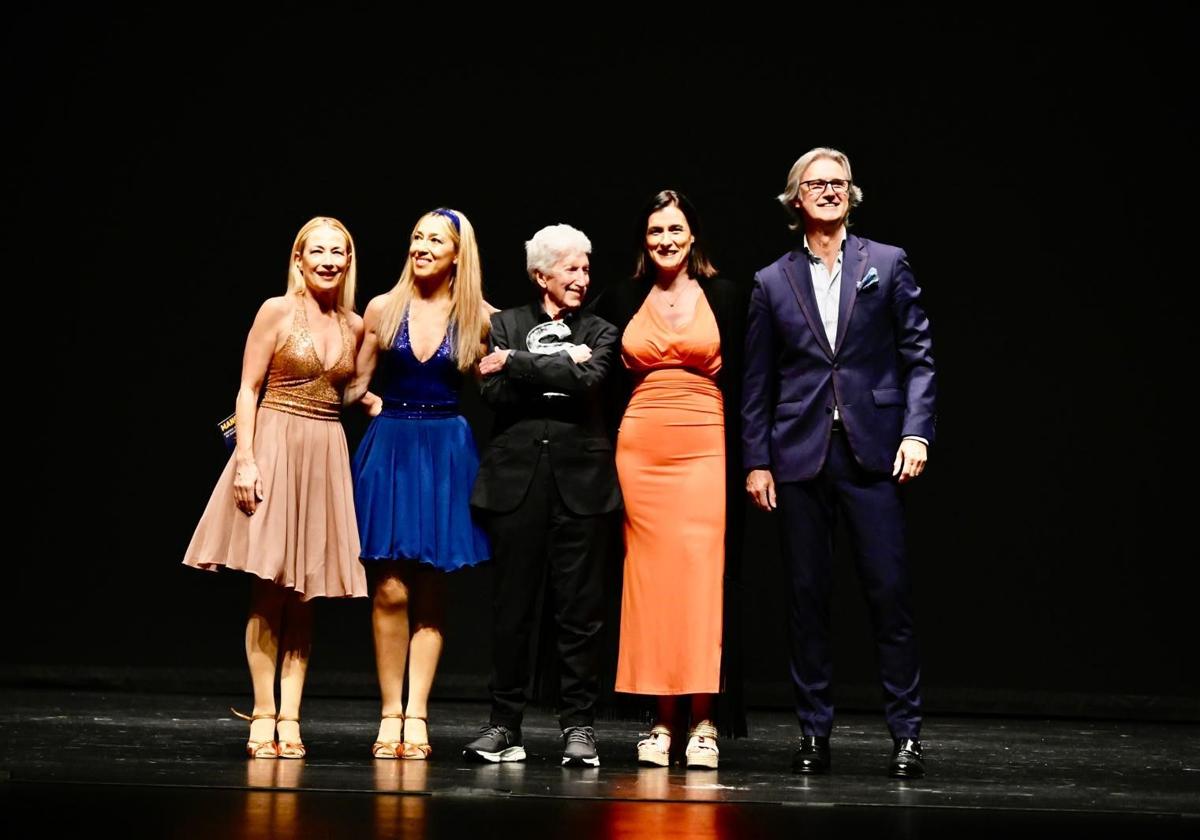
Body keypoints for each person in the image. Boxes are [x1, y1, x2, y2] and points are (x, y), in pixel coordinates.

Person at [742, 147, 936, 778]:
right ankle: (813, 734)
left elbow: (919, 357)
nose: (828, 191)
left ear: (851, 194)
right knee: (807, 600)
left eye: (838, 183)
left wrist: (917, 433)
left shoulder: (885, 263)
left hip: (873, 451)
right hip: (799, 456)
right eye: (815, 184)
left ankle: (906, 733)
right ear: (795, 199)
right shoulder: (772, 280)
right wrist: (757, 461)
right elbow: (757, 382)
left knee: (889, 595)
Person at [184, 215, 368, 759]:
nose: (329, 260)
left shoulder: (355, 326)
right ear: (299, 258)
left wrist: (376, 401)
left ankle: (291, 716)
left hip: (325, 452)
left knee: (305, 596)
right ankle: (263, 713)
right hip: (274, 443)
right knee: (269, 588)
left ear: (348, 261)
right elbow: (247, 388)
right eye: (319, 251)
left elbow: (349, 392)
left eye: (339, 251)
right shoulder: (276, 311)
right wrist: (246, 459)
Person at [592, 190, 749, 769]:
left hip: (705, 443)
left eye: (675, 229)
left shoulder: (728, 297)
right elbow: (594, 371)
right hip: (640, 448)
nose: (665, 239)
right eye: (656, 230)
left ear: (693, 236)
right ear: (644, 239)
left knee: (702, 578)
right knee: (650, 582)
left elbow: (751, 383)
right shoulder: (622, 297)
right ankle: (660, 722)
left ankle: (703, 721)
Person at [463, 224, 620, 767]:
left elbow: (591, 381)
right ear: (542, 275)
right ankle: (504, 725)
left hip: (582, 485)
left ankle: (579, 727)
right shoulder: (504, 323)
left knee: (580, 613)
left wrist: (517, 364)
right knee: (514, 610)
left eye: (585, 268)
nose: (583, 278)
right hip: (517, 482)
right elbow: (493, 391)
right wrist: (554, 365)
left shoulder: (600, 329)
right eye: (572, 269)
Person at [345, 208, 491, 760]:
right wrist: (356, 397)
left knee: (432, 589)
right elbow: (353, 382)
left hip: (447, 450)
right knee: (388, 586)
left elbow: (497, 378)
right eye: (416, 237)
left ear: (458, 254)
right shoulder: (384, 308)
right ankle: (389, 711)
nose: (422, 247)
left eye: (436, 240)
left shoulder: (478, 315)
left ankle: (418, 714)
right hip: (394, 448)